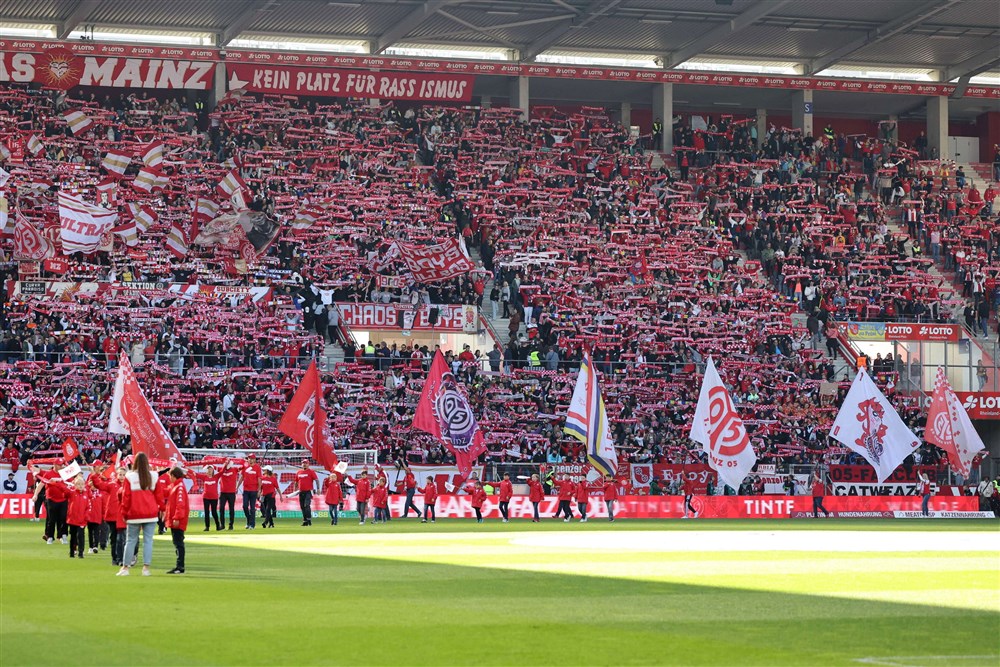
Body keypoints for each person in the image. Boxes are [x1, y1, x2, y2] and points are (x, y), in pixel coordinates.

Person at [118, 452, 161, 577]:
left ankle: (125, 568)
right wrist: (162, 509)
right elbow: (159, 496)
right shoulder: (154, 476)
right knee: (148, 541)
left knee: (130, 540)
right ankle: (146, 568)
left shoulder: (129, 476)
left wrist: (124, 513)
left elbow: (126, 497)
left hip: (134, 513)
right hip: (151, 513)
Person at [92, 467, 126, 566]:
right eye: (120, 474)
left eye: (123, 475)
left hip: (123, 516)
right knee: (115, 538)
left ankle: (120, 558)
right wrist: (94, 475)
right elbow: (99, 485)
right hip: (112, 516)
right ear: (117, 475)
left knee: (122, 538)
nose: (122, 477)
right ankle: (115, 558)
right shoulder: (112, 485)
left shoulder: (128, 485)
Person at [165, 467, 189, 574]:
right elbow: (165, 491)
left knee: (178, 543)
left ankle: (180, 566)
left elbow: (180, 504)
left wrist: (176, 517)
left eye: (170, 476)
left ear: (174, 476)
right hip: (176, 519)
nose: (169, 478)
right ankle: (179, 566)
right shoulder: (176, 486)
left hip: (178, 520)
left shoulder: (179, 487)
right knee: (177, 542)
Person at [40, 464, 68, 544]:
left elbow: (71, 482)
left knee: (63, 518)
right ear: (54, 465)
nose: (60, 466)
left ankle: (62, 536)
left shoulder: (65, 473)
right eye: (59, 465)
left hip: (63, 499)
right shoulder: (48, 474)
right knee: (51, 519)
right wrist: (35, 494)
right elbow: (41, 484)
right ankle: (50, 536)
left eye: (61, 465)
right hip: (51, 499)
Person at [192, 465, 223, 531]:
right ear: (207, 470)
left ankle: (218, 526)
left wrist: (226, 464)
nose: (209, 470)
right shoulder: (204, 477)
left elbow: (222, 471)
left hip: (214, 497)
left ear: (213, 470)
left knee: (214, 512)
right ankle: (207, 527)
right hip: (206, 497)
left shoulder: (216, 477)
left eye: (211, 469)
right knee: (206, 512)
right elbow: (195, 474)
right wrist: (187, 468)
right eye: (208, 469)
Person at [240, 454, 262, 530]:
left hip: (254, 490)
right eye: (249, 458)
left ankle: (252, 525)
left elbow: (259, 479)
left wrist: (259, 490)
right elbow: (242, 477)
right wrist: (237, 486)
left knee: (252, 508)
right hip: (246, 489)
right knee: (244, 506)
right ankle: (249, 520)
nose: (251, 460)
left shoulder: (258, 468)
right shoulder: (245, 466)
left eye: (252, 458)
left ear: (255, 460)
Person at [294, 460, 319, 526]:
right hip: (301, 491)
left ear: (308, 464)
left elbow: (316, 480)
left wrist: (318, 489)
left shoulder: (311, 472)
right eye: (303, 463)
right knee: (302, 507)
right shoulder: (298, 472)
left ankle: (309, 519)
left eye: (305, 463)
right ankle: (305, 521)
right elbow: (296, 482)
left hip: (308, 491)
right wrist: (294, 489)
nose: (304, 464)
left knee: (306, 505)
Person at [219, 460, 240, 530]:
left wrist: (245, 461)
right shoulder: (221, 470)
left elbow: (243, 467)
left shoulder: (235, 469)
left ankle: (231, 525)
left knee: (231, 509)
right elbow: (212, 467)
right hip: (223, 492)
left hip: (231, 492)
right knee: (221, 508)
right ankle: (222, 525)